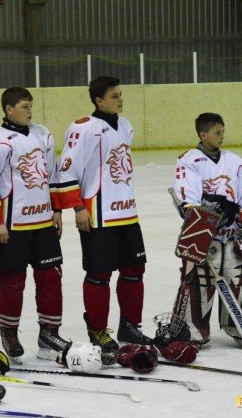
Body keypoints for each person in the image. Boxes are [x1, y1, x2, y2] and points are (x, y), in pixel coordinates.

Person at [56, 76, 151, 365]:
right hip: (97, 215)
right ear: (98, 101)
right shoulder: (83, 128)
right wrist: (77, 208)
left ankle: (129, 325)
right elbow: (66, 169)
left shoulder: (125, 125)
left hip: (127, 212)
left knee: (134, 269)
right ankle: (97, 329)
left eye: (120, 94)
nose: (120, 100)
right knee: (99, 274)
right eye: (114, 96)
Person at [0, 87, 67, 363]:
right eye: (25, 106)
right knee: (12, 280)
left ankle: (49, 332)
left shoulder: (42, 133)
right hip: (12, 225)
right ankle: (9, 332)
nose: (30, 111)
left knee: (50, 277)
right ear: (9, 109)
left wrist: (56, 209)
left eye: (31, 106)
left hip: (43, 222)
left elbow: (52, 173)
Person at [169, 112, 242, 345]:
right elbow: (188, 201)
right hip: (203, 234)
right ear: (203, 135)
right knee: (200, 277)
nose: (222, 136)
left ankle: (241, 323)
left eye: (223, 131)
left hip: (233, 233)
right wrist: (213, 213)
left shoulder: (235, 161)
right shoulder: (189, 160)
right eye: (217, 132)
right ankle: (193, 326)